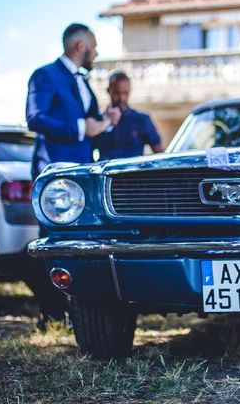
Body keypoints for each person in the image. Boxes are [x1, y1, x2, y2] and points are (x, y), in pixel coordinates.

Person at [24, 23, 120, 329]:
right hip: (56, 174)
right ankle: (52, 314)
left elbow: (90, 125)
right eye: (94, 45)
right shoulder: (45, 75)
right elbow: (35, 118)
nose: (97, 52)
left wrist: (106, 121)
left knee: (83, 243)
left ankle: (80, 314)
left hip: (83, 174)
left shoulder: (83, 82)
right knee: (52, 241)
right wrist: (81, 127)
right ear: (80, 46)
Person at [94, 71, 164, 160]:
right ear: (108, 91)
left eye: (125, 93)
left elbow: (159, 154)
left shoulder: (142, 120)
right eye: (116, 93)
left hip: (134, 173)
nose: (121, 98)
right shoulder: (97, 122)